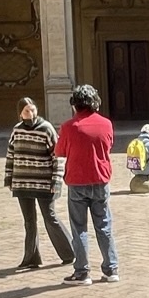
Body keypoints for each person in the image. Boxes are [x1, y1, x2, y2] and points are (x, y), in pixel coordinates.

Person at [55, 83, 119, 283]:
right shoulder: (106, 124)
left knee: (79, 227)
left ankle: (82, 271)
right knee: (104, 225)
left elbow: (59, 152)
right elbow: (108, 146)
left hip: (77, 180)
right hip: (100, 179)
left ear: (75, 104)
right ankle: (111, 268)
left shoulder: (68, 127)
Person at [3, 97, 73, 269]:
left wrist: (56, 181)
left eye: (33, 109)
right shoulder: (16, 131)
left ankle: (70, 252)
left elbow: (57, 157)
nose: (31, 113)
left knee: (50, 217)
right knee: (29, 221)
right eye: (27, 111)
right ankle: (31, 257)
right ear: (20, 113)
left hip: (43, 183)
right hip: (22, 182)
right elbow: (11, 155)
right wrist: (9, 178)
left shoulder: (46, 129)